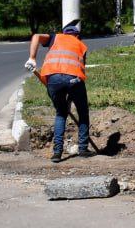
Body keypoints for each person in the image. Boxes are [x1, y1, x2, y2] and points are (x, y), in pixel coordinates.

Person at [25, 19, 91, 162]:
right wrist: (71, 95)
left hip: (53, 79)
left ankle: (57, 153)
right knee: (83, 111)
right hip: (74, 80)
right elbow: (78, 72)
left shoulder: (55, 38)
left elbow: (36, 36)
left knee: (61, 114)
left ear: (64, 33)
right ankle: (83, 148)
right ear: (77, 36)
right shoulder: (81, 45)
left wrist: (32, 58)